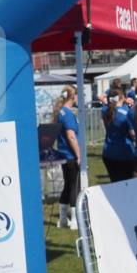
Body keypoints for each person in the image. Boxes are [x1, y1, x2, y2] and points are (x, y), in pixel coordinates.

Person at [53, 86, 80, 229]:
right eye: (76, 95)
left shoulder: (60, 112)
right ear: (72, 96)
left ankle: (63, 219)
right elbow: (71, 136)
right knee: (74, 186)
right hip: (70, 155)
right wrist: (79, 155)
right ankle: (75, 220)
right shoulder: (68, 113)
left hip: (63, 154)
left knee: (68, 185)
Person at [101, 88, 136, 182]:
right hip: (124, 153)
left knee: (115, 182)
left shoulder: (105, 111)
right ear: (122, 97)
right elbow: (133, 134)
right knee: (127, 183)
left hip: (108, 151)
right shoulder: (126, 113)